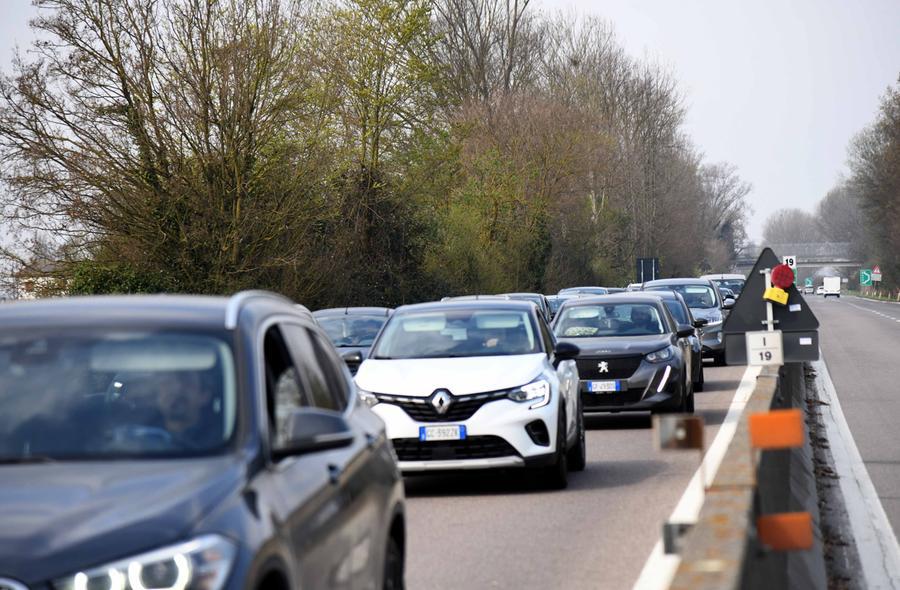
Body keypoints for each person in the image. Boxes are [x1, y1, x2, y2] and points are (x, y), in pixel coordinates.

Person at [152, 371, 219, 448]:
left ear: (205, 396)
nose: (176, 389)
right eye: (167, 382)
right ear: (157, 396)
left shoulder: (216, 439)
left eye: (187, 382)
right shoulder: (142, 435)